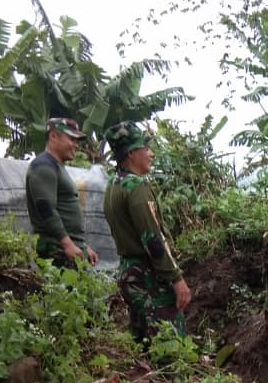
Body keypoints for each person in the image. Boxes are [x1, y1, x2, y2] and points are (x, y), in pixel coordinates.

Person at [103, 121, 191, 343]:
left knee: (143, 344)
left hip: (129, 274)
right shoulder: (136, 188)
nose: (151, 154)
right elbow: (152, 239)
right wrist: (176, 278)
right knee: (170, 347)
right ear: (132, 153)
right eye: (146, 149)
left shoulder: (114, 185)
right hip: (149, 278)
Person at [25, 117, 100, 268]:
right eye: (71, 139)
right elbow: (46, 210)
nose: (76, 145)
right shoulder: (43, 166)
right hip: (57, 250)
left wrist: (82, 245)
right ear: (53, 136)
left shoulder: (56, 166)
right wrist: (67, 244)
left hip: (67, 248)